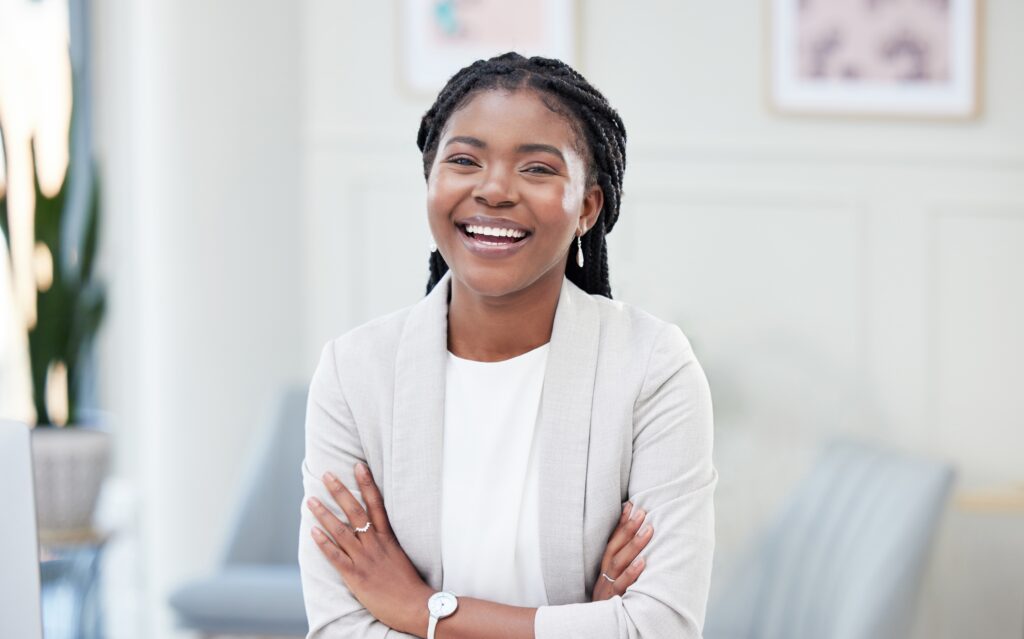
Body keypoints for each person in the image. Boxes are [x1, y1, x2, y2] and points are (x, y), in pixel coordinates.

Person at [298, 52, 716, 639]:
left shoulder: (651, 367)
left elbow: (659, 628)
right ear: (431, 181)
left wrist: (422, 611)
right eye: (465, 160)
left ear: (588, 208)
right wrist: (582, 622)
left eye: (538, 169)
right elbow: (341, 628)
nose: (493, 190)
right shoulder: (354, 372)